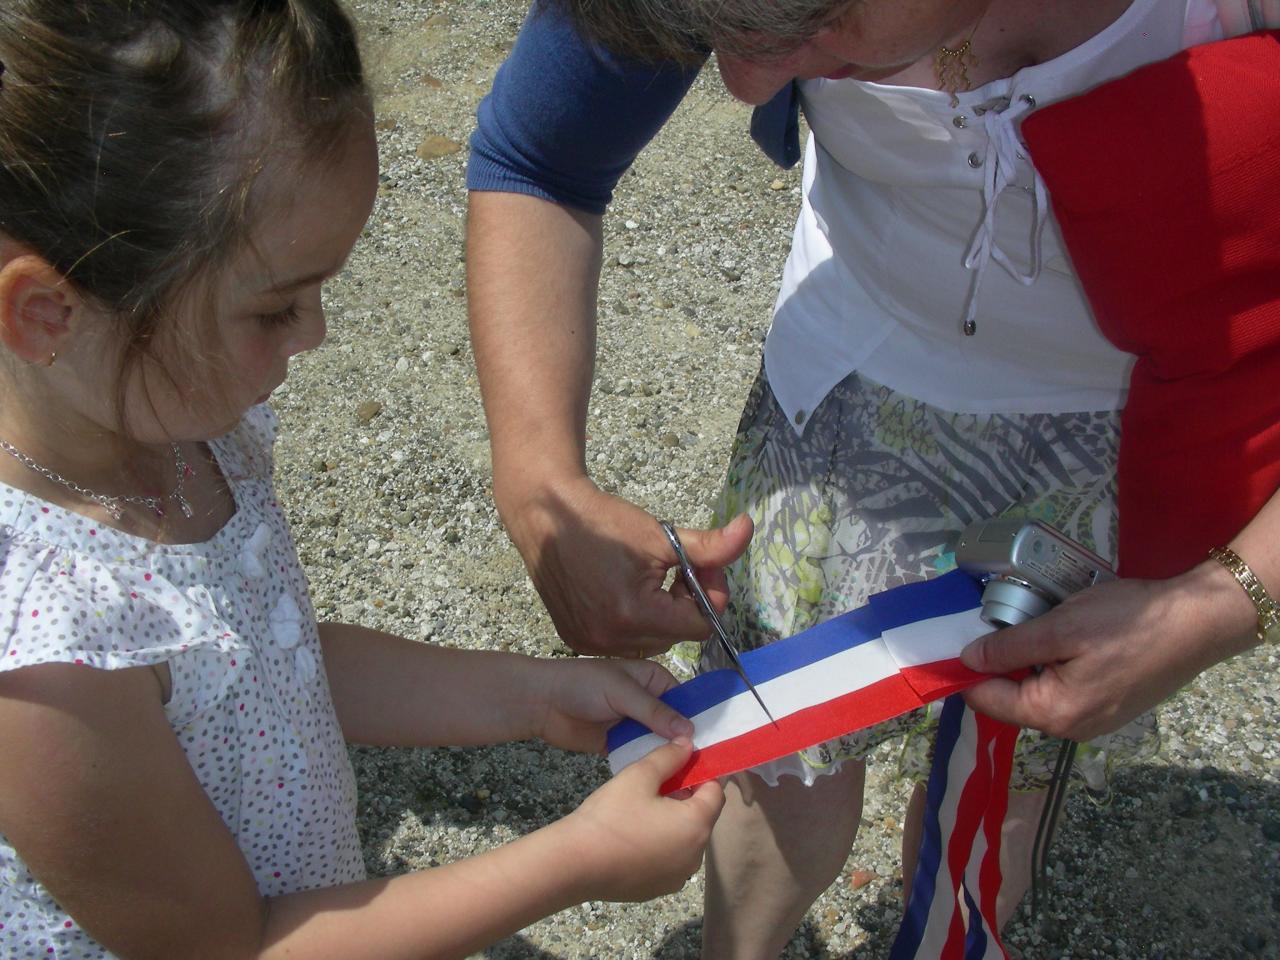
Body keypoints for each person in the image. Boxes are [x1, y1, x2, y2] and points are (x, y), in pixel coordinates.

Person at [465, 0, 1280, 956]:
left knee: (1012, 781)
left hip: (1134, 449)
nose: (743, 85)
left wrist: (1227, 599)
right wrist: (539, 486)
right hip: (849, 406)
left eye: (817, 20)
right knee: (781, 763)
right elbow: (540, 159)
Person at [0, 3, 726, 958]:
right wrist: (575, 862)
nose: (316, 336)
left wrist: (533, 698)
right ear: (48, 313)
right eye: (275, 309)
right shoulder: (45, 660)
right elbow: (236, 947)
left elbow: (269, 666)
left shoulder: (184, 428)